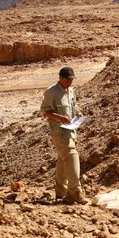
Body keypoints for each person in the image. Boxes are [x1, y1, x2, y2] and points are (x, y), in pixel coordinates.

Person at [40, 66, 86, 204]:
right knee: (72, 154)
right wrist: (60, 118)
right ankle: (75, 191)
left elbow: (74, 105)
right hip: (59, 132)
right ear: (60, 78)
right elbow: (44, 112)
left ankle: (60, 193)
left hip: (71, 130)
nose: (70, 83)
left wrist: (78, 112)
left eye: (71, 80)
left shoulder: (70, 91)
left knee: (63, 158)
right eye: (67, 80)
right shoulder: (51, 92)